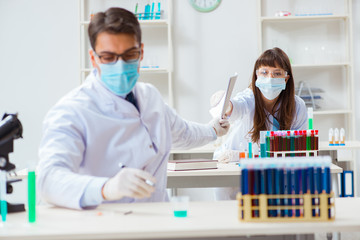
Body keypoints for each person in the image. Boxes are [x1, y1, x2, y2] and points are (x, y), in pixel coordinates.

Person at [37, 7, 229, 209]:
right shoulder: (72, 111)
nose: (120, 65)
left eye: (129, 55)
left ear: (141, 52)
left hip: (158, 221)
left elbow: (182, 133)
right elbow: (48, 180)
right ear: (93, 58)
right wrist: (106, 188)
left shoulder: (150, 96)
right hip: (105, 226)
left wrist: (214, 130)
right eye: (109, 57)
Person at [211, 47, 307, 200]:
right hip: (234, 164)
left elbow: (299, 149)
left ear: (286, 78)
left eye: (277, 73)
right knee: (232, 212)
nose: (270, 78)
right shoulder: (249, 97)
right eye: (264, 72)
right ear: (256, 76)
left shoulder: (297, 106)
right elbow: (238, 106)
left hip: (273, 170)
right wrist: (226, 104)